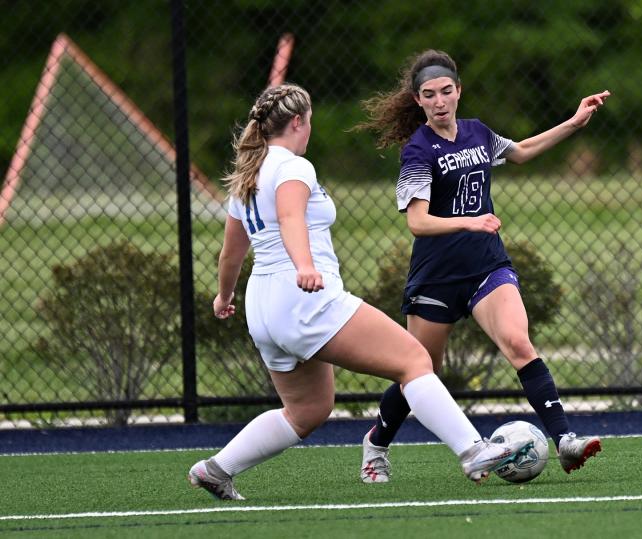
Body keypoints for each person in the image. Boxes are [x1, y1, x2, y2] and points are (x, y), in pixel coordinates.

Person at [187, 83, 527, 500]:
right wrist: (305, 265)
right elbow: (291, 217)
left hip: (262, 308)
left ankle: (216, 469)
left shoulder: (249, 174)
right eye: (310, 121)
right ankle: (473, 451)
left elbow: (230, 254)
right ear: (298, 121)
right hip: (303, 297)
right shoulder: (294, 167)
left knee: (307, 410)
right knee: (414, 360)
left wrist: (224, 296)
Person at [354, 50, 610, 483]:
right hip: (436, 278)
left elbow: (522, 151)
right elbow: (418, 222)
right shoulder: (418, 150)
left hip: (487, 267)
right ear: (418, 100)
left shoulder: (478, 133)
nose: (439, 101)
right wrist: (470, 221)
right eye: (429, 94)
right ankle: (377, 442)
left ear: (459, 91)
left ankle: (565, 440)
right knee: (419, 371)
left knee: (518, 343)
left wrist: (574, 122)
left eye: (446, 91)